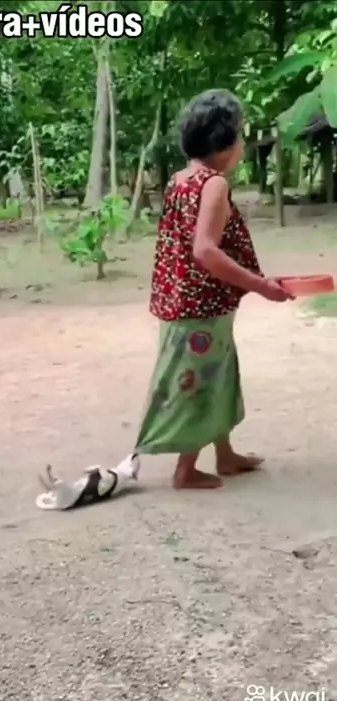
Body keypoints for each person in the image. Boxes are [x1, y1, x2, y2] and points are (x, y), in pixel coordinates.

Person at [134, 89, 294, 489]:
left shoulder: (180, 179)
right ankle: (185, 469)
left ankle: (225, 454)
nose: (241, 143)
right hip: (200, 308)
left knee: (218, 374)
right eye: (239, 134)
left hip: (186, 301)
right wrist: (260, 286)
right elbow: (204, 250)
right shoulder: (214, 185)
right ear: (224, 143)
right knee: (200, 380)